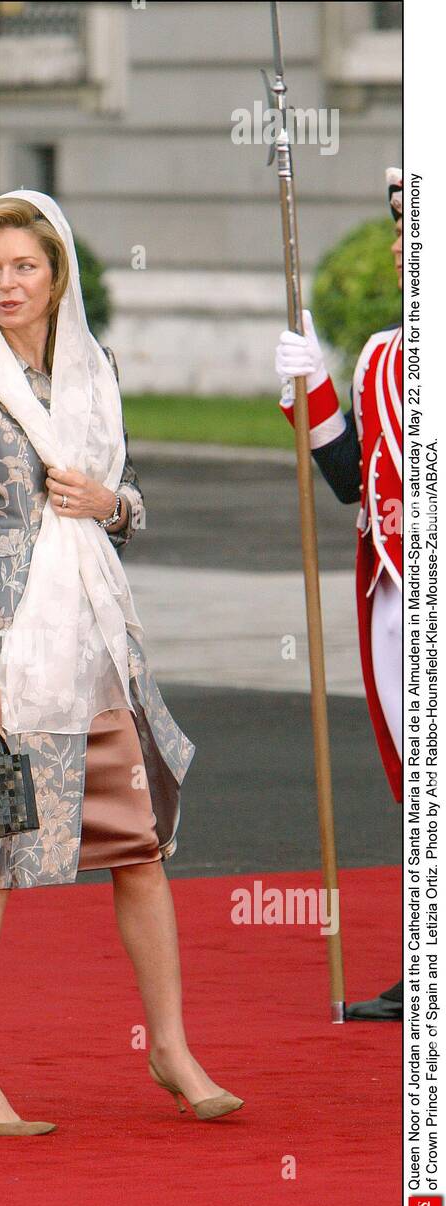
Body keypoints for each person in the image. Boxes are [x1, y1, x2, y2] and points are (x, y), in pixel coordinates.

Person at [0, 190, 244, 1133]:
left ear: (59, 276)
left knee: (139, 848)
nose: (5, 283)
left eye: (25, 266)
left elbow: (126, 505)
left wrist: (113, 503)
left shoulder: (98, 370)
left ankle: (170, 1051)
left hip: (96, 651)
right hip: (3, 658)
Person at [274, 167, 403, 1022]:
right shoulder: (385, 356)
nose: (399, 246)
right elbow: (354, 481)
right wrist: (314, 384)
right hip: (398, 600)